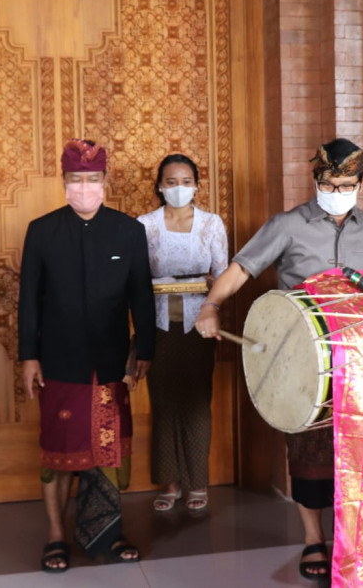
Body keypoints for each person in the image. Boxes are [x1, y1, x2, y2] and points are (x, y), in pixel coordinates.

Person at [194, 138, 363, 583]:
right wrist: (211, 305)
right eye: (328, 184)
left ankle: (359, 535)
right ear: (316, 181)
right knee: (308, 449)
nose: (337, 191)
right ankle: (314, 538)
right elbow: (242, 268)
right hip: (304, 355)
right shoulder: (288, 224)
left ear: (361, 183)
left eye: (346, 185)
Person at [18, 139, 156, 573]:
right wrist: (28, 356)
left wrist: (145, 349)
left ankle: (109, 533)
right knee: (59, 453)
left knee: (108, 450)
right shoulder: (42, 231)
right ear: (63, 181)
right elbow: (28, 300)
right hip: (59, 361)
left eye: (92, 179)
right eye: (75, 179)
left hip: (111, 361)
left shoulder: (128, 230)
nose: (84, 187)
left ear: (104, 181)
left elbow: (141, 295)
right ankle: (56, 535)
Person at [138, 154, 228, 513]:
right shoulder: (145, 225)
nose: (179, 188)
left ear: (197, 185)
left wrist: (212, 298)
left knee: (196, 401)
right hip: (159, 322)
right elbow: (134, 277)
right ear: (160, 186)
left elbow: (223, 274)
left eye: (186, 181)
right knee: (164, 401)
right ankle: (170, 482)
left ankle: (197, 482)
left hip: (198, 322)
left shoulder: (211, 224)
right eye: (171, 182)